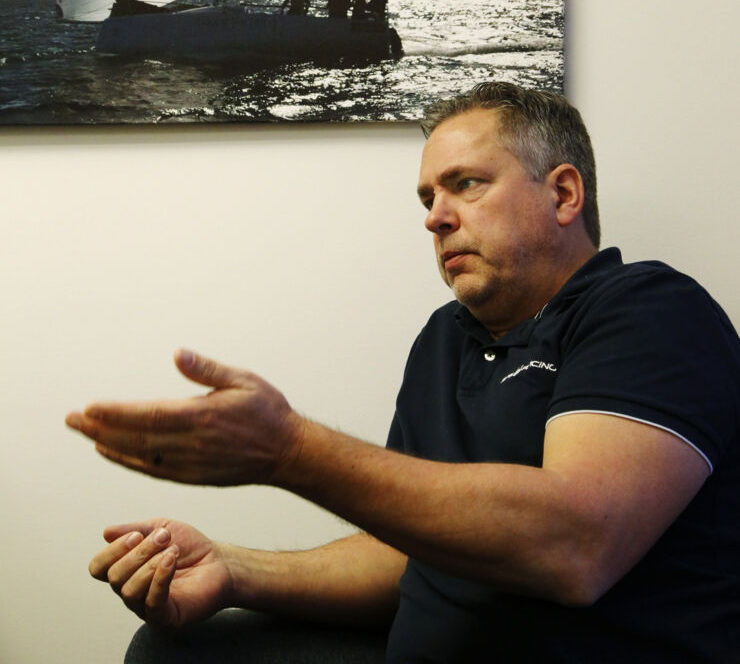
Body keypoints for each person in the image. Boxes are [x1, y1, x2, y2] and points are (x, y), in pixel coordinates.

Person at [66, 82, 740, 663]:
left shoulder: (651, 311)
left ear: (563, 194)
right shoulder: (445, 339)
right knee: (171, 649)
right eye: (426, 197)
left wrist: (287, 450)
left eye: (466, 184)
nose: (434, 218)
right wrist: (235, 571)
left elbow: (576, 546)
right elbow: (408, 556)